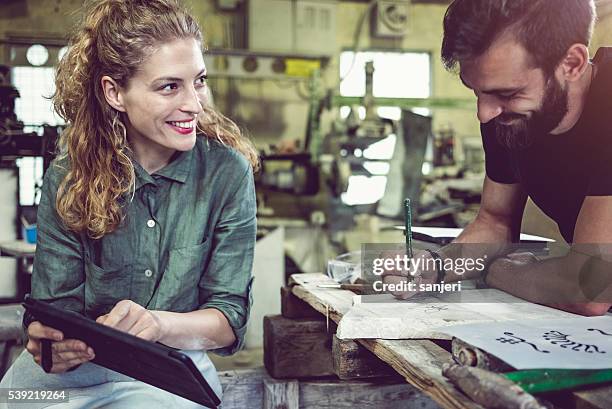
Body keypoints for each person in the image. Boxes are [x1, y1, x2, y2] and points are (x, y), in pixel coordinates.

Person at [0, 0, 258, 407]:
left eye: (200, 81)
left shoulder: (227, 175)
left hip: (169, 372)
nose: (194, 103)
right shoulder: (70, 175)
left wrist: (157, 323)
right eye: (170, 86)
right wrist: (46, 344)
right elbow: (51, 311)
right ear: (114, 92)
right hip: (68, 379)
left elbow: (228, 320)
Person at [385, 0, 612, 315]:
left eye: (507, 94)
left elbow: (589, 289)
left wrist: (498, 272)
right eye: (477, 92)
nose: (484, 113)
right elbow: (495, 221)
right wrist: (437, 267)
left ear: (571, 63)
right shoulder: (507, 115)